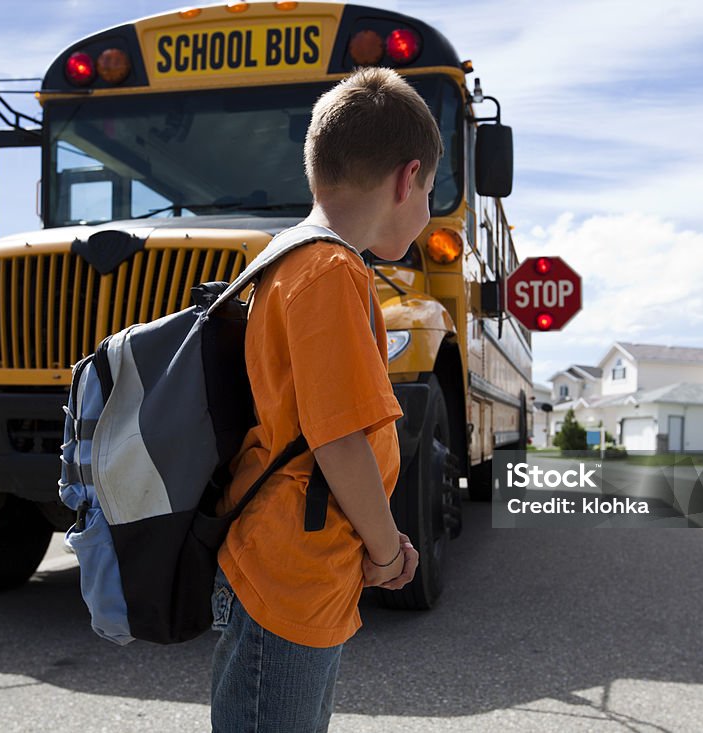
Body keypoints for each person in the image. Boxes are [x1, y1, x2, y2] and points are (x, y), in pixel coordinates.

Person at [210, 66, 445, 732]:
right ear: (407, 179)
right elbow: (338, 437)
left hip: (294, 563)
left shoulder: (290, 257)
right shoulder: (333, 269)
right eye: (429, 191)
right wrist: (388, 551)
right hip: (290, 573)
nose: (425, 211)